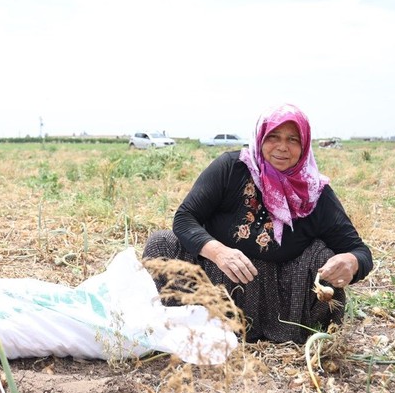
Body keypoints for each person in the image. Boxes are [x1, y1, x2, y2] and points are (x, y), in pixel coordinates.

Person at [142, 103, 373, 343]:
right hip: (211, 284)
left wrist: (351, 262)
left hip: (282, 304)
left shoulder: (316, 194)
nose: (282, 147)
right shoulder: (232, 168)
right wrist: (219, 252)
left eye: (293, 140)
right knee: (162, 242)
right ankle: (178, 322)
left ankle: (301, 330)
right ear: (261, 138)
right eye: (274, 137)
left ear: (304, 146)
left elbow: (360, 252)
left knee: (324, 256)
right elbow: (184, 218)